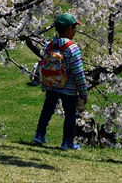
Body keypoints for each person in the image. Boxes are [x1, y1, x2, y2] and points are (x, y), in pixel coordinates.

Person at [33, 13, 88, 150]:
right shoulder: (72, 48)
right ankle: (67, 142)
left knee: (47, 110)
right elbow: (78, 72)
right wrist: (83, 92)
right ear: (69, 29)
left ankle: (39, 134)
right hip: (68, 88)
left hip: (51, 84)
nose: (75, 31)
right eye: (74, 28)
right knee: (70, 115)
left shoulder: (49, 45)